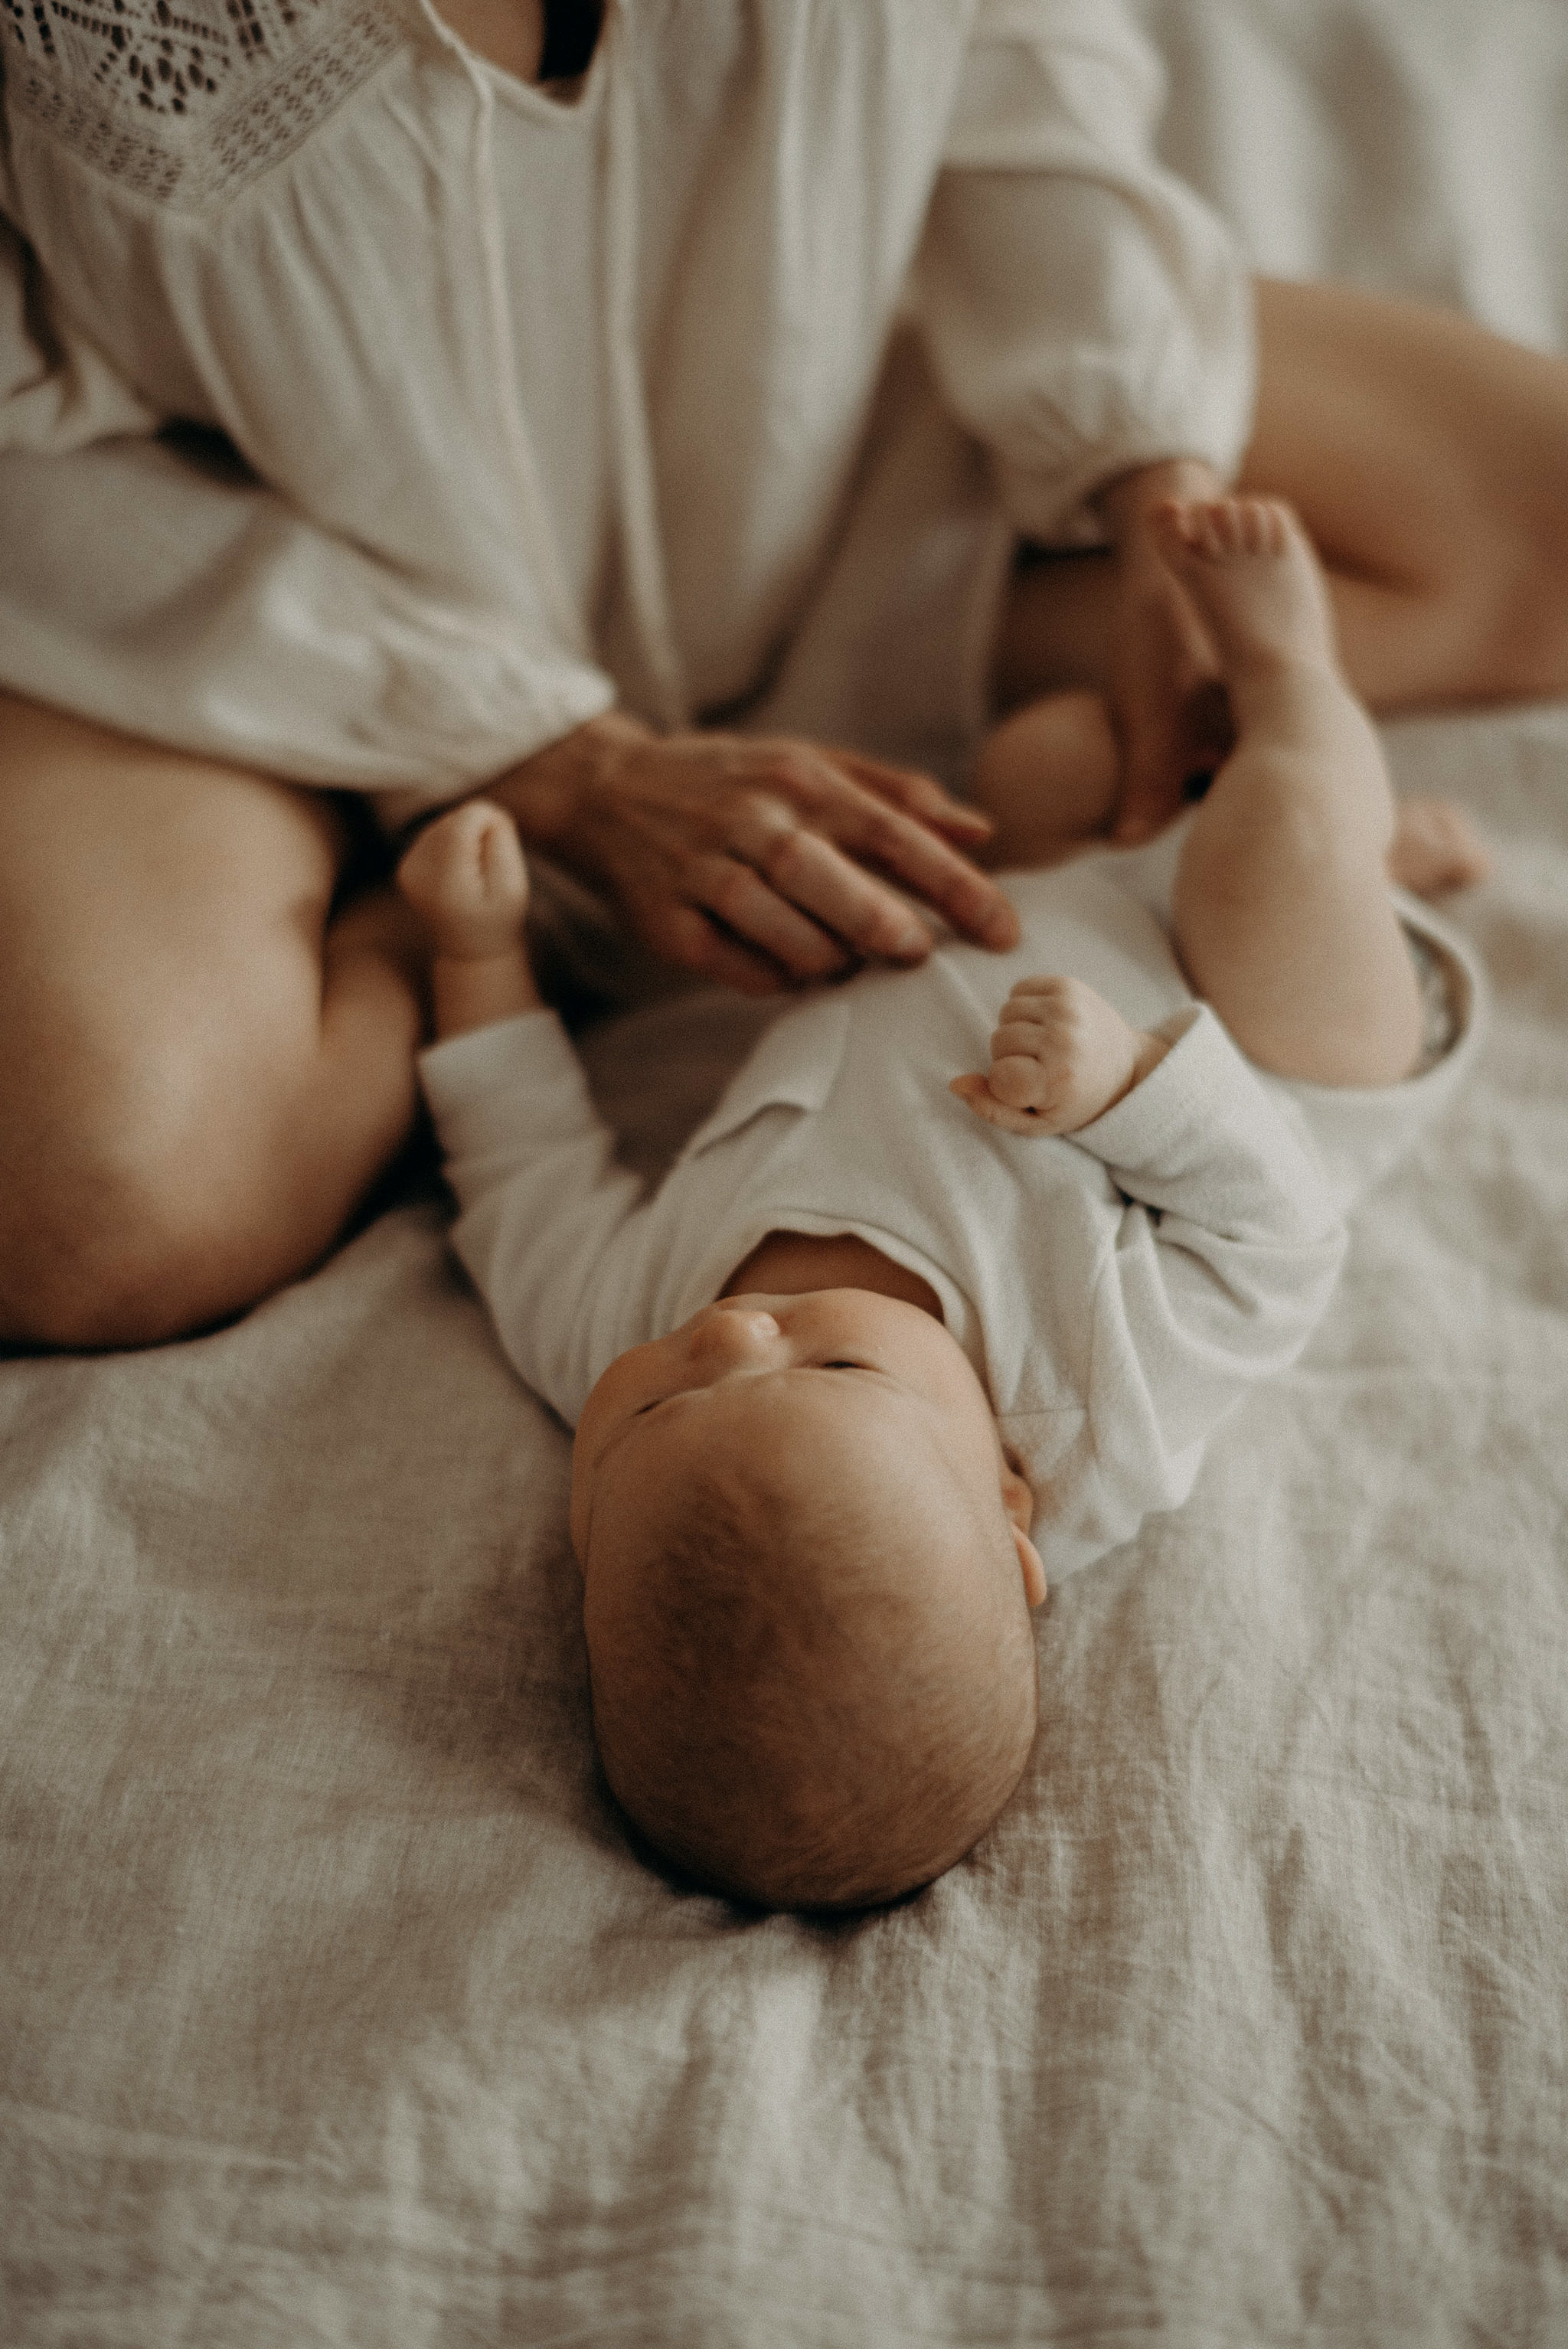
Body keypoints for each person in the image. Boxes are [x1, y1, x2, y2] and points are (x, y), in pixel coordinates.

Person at [0, 0, 1553, 1349]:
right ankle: (480, 883)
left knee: (1535, 528)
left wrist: (1150, 474)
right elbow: (1265, 1201)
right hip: (248, 589)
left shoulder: (633, 1316)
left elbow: (1011, 42)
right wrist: (550, 774)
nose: (741, 1353)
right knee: (99, 1202)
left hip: (825, 461)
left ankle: (1142, 790)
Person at [394, 495, 1485, 1911]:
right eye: (836, 1369)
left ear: (589, 1521)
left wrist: (474, 954)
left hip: (1040, 900)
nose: (728, 1342)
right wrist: (1130, 1090)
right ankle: (1305, 705)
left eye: (656, 1413)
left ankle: (1360, 832)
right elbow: (1280, 1244)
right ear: (1010, 1497)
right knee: (1279, 848)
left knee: (1042, 758)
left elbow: (518, 1172)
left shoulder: (615, 1322)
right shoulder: (1101, 1401)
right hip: (1279, 1041)